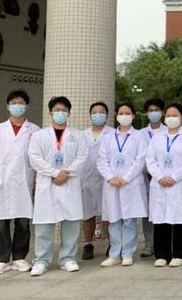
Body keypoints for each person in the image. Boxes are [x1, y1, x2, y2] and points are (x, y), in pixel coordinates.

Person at [28, 96, 88, 276]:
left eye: (64, 110)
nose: (60, 113)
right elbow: (34, 158)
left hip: (69, 183)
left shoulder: (77, 135)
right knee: (44, 225)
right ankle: (41, 261)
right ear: (50, 112)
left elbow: (83, 157)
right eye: (57, 110)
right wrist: (55, 173)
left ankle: (68, 259)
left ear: (69, 113)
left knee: (71, 224)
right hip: (48, 183)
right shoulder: (39, 136)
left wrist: (66, 173)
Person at [0, 89, 39, 275]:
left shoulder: (35, 131)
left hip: (25, 180)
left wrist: (36, 181)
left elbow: (37, 158)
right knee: (2, 222)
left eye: (21, 103)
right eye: (13, 103)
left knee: (23, 221)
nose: (17, 106)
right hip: (3, 181)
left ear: (27, 106)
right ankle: (1, 260)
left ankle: (19, 257)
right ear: (7, 106)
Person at [146, 103, 182, 268]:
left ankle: (179, 254)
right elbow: (150, 160)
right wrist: (160, 177)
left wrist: (174, 177)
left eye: (175, 115)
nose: (171, 118)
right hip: (160, 183)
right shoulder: (157, 137)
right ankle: (161, 254)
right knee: (160, 219)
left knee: (179, 218)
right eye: (168, 115)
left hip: (180, 183)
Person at [96, 103, 148, 267]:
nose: (124, 116)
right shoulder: (107, 137)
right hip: (112, 184)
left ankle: (127, 253)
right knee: (114, 219)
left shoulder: (139, 136)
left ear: (133, 116)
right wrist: (111, 177)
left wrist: (125, 178)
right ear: (116, 116)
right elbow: (101, 160)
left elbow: (140, 159)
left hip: (130, 183)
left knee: (129, 220)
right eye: (121, 113)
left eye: (127, 113)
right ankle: (114, 254)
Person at [81, 102, 114, 260]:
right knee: (87, 214)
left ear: (107, 115)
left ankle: (111, 244)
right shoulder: (82, 135)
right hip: (86, 179)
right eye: (94, 112)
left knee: (107, 214)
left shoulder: (113, 133)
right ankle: (88, 244)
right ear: (90, 115)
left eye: (101, 112)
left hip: (106, 179)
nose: (98, 115)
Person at [138, 98, 166, 258]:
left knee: (164, 210)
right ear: (146, 113)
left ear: (162, 112)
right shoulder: (140, 134)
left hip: (163, 177)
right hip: (144, 177)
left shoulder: (169, 131)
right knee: (147, 212)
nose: (153, 113)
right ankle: (149, 244)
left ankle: (164, 243)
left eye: (156, 110)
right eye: (150, 111)